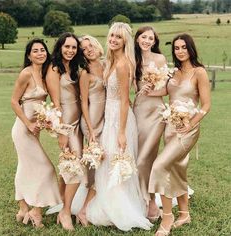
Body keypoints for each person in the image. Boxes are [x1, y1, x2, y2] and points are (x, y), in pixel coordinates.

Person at [86, 22, 152, 231]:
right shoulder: (111, 60)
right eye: (112, 35)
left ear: (125, 41)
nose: (113, 40)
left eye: (119, 37)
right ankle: (107, 201)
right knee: (107, 162)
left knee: (117, 161)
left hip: (119, 120)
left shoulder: (124, 64)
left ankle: (120, 208)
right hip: (109, 116)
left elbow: (125, 100)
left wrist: (122, 132)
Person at [142, 33, 211, 236]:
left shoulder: (199, 72)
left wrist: (190, 124)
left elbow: (206, 105)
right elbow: (166, 92)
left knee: (160, 165)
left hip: (188, 129)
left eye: (183, 47)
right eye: (176, 48)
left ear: (191, 49)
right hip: (170, 127)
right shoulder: (173, 72)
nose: (180, 51)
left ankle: (167, 218)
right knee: (177, 169)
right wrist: (148, 91)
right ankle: (184, 213)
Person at [11, 39, 62, 228]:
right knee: (47, 168)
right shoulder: (26, 73)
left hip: (35, 130)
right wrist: (28, 123)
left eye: (43, 50)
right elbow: (14, 101)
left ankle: (23, 207)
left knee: (24, 167)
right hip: (23, 129)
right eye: (35, 51)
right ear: (29, 55)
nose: (40, 53)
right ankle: (35, 210)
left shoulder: (45, 73)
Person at [46, 32, 87, 230]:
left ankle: (63, 207)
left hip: (78, 123)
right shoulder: (54, 69)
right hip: (67, 125)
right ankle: (65, 212)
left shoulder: (75, 67)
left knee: (67, 169)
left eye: (73, 47)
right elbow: (55, 103)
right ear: (59, 47)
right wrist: (62, 131)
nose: (70, 51)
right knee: (76, 167)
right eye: (67, 47)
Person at [133, 26, 166, 221]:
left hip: (156, 113)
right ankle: (139, 198)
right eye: (143, 37)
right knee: (138, 157)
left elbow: (166, 89)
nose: (146, 40)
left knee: (145, 159)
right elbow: (125, 86)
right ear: (137, 39)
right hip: (138, 112)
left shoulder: (160, 59)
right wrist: (138, 89)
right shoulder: (132, 60)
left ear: (154, 42)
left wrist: (151, 90)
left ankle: (150, 201)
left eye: (150, 38)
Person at [76, 35, 106, 226]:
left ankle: (97, 204)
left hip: (106, 119)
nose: (89, 50)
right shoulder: (85, 73)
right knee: (96, 165)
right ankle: (83, 210)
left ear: (97, 45)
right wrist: (90, 129)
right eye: (84, 49)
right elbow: (83, 103)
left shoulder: (106, 65)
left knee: (104, 164)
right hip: (92, 122)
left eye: (91, 45)